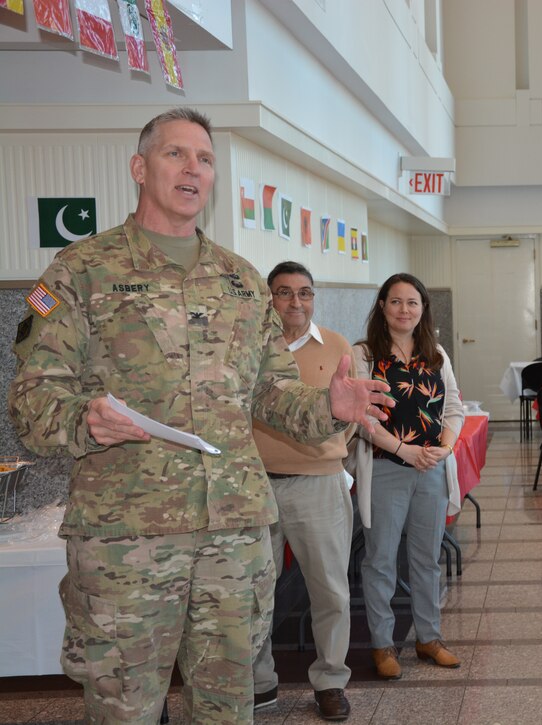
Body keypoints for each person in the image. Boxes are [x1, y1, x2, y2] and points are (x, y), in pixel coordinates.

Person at [8, 108, 391, 724]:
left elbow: (272, 396)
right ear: (140, 167)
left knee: (230, 707)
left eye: (205, 159)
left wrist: (328, 407)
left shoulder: (240, 282)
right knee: (126, 708)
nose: (193, 169)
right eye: (175, 154)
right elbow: (30, 402)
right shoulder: (80, 272)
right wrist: (85, 420)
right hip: (126, 541)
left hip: (235, 539)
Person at [251, 262, 354, 719]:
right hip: (256, 487)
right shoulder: (248, 347)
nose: (296, 302)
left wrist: (326, 453)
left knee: (329, 590)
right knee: (253, 592)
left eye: (305, 293)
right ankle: (260, 682)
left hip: (318, 486)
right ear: (268, 298)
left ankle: (330, 681)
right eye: (284, 292)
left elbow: (350, 414)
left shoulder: (335, 346)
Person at [349, 273, 464, 681]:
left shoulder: (437, 354)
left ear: (423, 309)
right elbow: (359, 417)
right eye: (396, 302)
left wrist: (444, 448)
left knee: (426, 560)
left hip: (430, 470)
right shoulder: (363, 355)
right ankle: (383, 644)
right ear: (382, 306)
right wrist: (403, 450)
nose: (404, 310)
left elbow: (453, 410)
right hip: (385, 467)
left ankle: (428, 638)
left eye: (412, 303)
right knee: (380, 559)